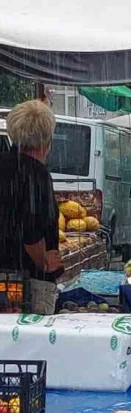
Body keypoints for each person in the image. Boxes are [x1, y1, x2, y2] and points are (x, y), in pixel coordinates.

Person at [0, 100, 63, 314]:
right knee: (29, 342)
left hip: (4, 272)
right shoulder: (37, 175)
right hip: (27, 281)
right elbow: (32, 231)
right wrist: (44, 262)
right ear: (47, 140)